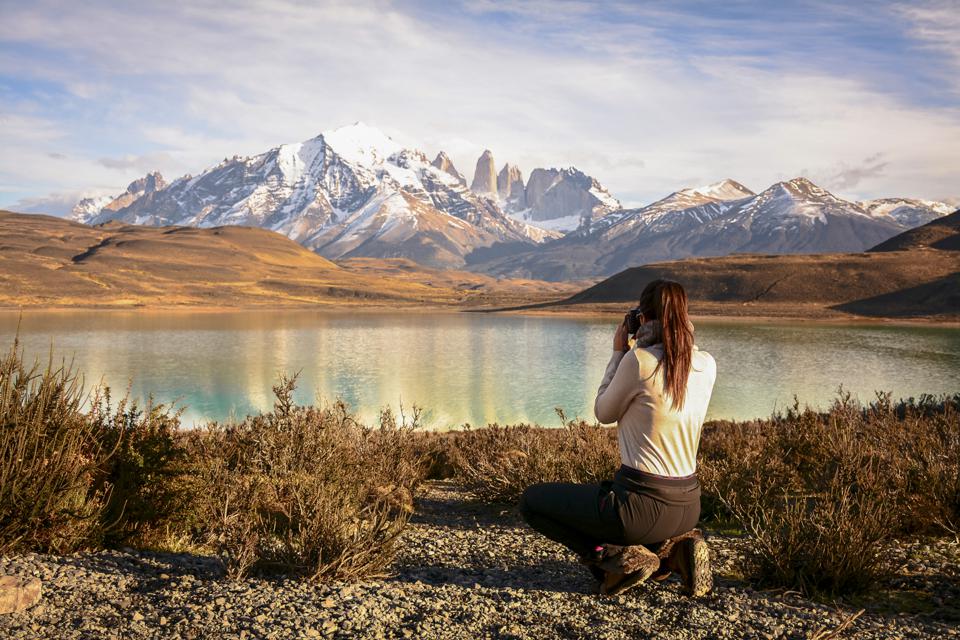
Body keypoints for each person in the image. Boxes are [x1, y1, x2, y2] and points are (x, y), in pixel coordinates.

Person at [519, 279, 717, 596]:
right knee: (646, 521)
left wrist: (617, 353)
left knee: (532, 502)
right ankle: (676, 552)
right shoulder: (706, 364)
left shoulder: (639, 362)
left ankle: (618, 561)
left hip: (638, 509)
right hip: (688, 504)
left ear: (641, 318)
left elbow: (603, 412)